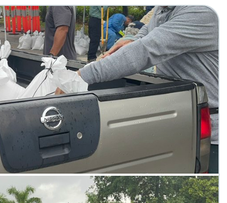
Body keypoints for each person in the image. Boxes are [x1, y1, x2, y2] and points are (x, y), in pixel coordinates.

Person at [77, 6, 219, 172]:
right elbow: (149, 29)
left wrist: (80, 76)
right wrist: (133, 39)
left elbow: (144, 52)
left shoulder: (203, 12)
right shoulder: (164, 8)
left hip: (210, 135)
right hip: (181, 120)